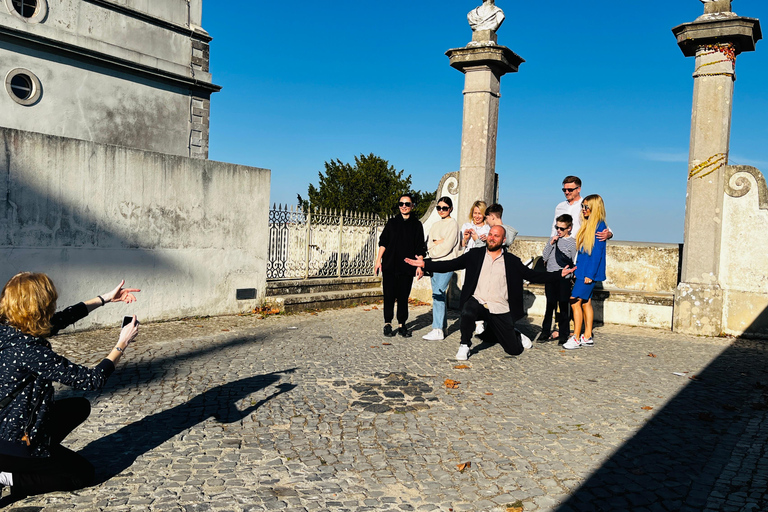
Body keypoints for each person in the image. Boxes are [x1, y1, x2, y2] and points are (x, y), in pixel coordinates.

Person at [0, 273, 140, 501]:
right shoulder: (32, 352)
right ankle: (9, 477)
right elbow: (91, 380)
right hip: (12, 444)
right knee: (82, 474)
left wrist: (105, 298)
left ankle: (25, 461)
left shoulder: (8, 330)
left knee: (78, 407)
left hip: (4, 427)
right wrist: (121, 344)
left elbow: (64, 318)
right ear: (40, 307)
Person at [405, 226, 575, 361]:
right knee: (468, 310)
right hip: (478, 301)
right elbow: (451, 264)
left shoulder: (511, 261)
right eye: (491, 234)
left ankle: (514, 333)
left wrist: (558, 275)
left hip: (499, 307)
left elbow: (533, 275)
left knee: (514, 350)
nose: (492, 238)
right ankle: (465, 344)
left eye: (496, 236)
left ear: (503, 240)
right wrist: (425, 264)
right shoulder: (475, 255)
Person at [375, 194, 426, 338]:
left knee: (403, 297)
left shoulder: (417, 225)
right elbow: (383, 242)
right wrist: (378, 260)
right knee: (389, 296)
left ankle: (402, 324)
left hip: (407, 268)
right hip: (390, 266)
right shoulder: (392, 223)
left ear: (412, 206)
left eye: (407, 204)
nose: (404, 206)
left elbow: (419, 248)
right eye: (401, 203)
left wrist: (419, 266)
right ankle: (387, 324)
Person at [564, 195, 607, 349]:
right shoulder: (588, 225)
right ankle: (587, 335)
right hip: (581, 271)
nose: (583, 209)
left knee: (574, 300)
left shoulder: (599, 227)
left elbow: (596, 255)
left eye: (586, 207)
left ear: (595, 208)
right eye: (582, 206)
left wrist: (590, 274)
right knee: (586, 302)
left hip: (588, 273)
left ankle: (575, 337)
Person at [422, 197, 460, 341]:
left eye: (444, 208)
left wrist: (435, 246)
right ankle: (441, 327)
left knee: (438, 294)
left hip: (447, 263)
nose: (441, 210)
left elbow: (448, 246)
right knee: (438, 294)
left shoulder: (453, 224)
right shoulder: (435, 225)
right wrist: (436, 244)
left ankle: (437, 328)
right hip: (434, 263)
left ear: (450, 208)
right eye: (439, 208)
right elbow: (429, 244)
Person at [540, 214, 577, 345]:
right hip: (550, 276)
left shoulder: (572, 243)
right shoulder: (553, 239)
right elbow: (544, 257)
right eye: (557, 227)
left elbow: (573, 260)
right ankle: (545, 331)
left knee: (563, 306)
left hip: (564, 278)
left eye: (562, 228)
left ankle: (563, 333)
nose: (559, 231)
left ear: (569, 228)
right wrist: (551, 244)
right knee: (550, 305)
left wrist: (571, 275)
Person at [552, 176, 612, 241]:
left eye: (570, 190)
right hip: (559, 246)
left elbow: (603, 226)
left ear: (579, 189)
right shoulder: (560, 206)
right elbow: (554, 228)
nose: (567, 192)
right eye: (564, 190)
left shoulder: (586, 206)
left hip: (578, 248)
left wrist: (608, 234)